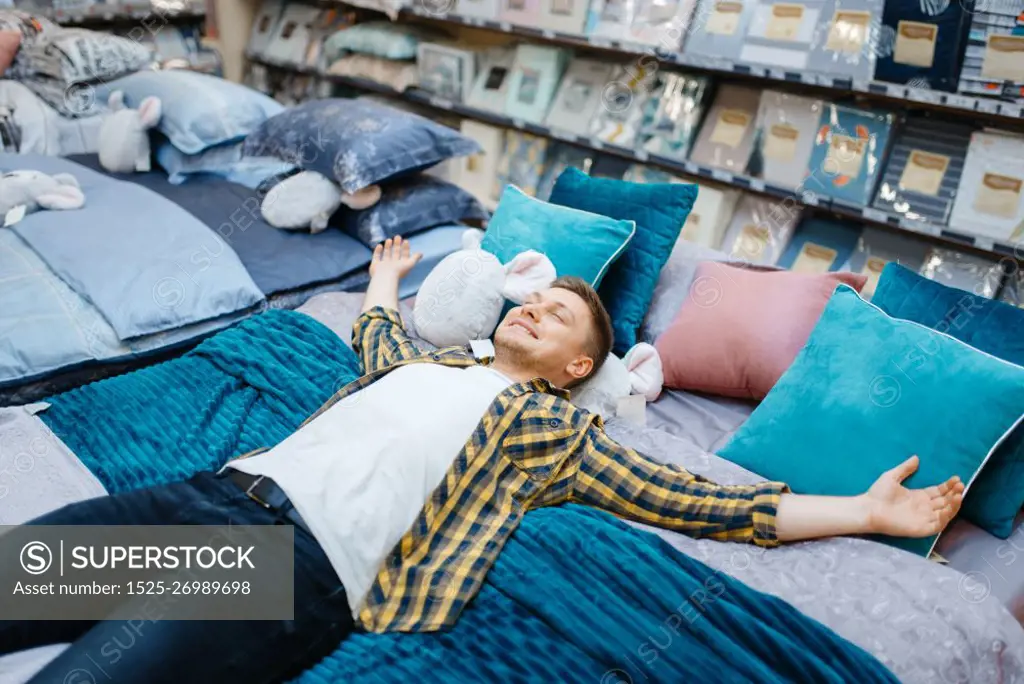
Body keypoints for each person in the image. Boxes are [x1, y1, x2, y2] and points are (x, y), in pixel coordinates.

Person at [1, 236, 964, 683]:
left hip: (291, 563)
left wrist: (865, 512)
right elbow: (374, 339)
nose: (533, 306)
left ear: (581, 367)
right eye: (534, 300)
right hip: (210, 501)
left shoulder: (550, 433)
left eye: (560, 318)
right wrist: (383, 279)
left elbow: (701, 502)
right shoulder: (433, 364)